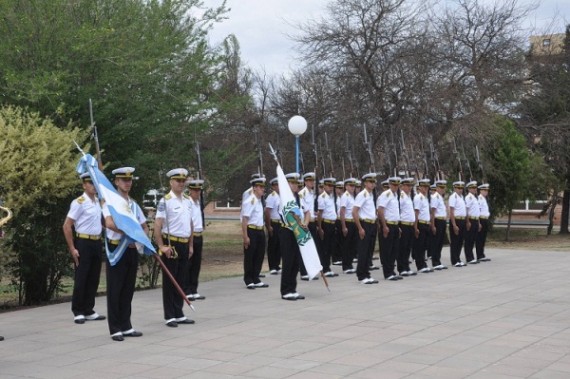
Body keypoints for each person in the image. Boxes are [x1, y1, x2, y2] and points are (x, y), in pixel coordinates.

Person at [103, 167, 146, 341]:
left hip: (131, 250)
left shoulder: (133, 205)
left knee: (128, 290)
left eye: (129, 180)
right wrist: (127, 230)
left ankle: (126, 325)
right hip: (117, 250)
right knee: (115, 290)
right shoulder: (110, 203)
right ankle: (115, 328)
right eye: (123, 180)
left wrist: (142, 236)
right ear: (116, 182)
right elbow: (109, 223)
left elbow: (143, 224)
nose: (127, 183)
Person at [154, 168, 195, 328]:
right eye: (178, 181)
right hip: (171, 243)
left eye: (183, 181)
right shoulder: (165, 201)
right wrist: (161, 246)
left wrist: (191, 244)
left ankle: (179, 312)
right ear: (171, 182)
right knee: (170, 280)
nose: (181, 183)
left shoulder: (187, 201)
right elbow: (158, 224)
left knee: (182, 279)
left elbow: (190, 224)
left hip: (184, 243)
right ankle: (169, 315)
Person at [62, 173, 106, 325]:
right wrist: (72, 248)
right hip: (83, 242)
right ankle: (78, 310)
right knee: (82, 277)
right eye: (90, 183)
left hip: (96, 242)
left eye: (95, 183)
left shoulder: (98, 202)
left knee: (94, 277)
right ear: (84, 185)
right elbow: (67, 225)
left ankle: (89, 309)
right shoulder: (79, 202)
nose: (93, 186)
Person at [280, 172, 307, 300]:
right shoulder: (284, 198)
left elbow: (306, 212)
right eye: (293, 183)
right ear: (287, 184)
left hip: (297, 231)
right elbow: (288, 215)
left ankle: (292, 288)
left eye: (297, 183)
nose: (296, 185)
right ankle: (285, 290)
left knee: (296, 261)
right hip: (287, 231)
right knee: (288, 260)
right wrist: (299, 223)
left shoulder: (298, 197)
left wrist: (304, 224)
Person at [242, 176, 268, 289]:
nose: (263, 189)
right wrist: (245, 236)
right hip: (251, 230)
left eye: (263, 187)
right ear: (255, 188)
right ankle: (248, 279)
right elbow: (244, 220)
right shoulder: (250, 201)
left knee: (259, 255)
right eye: (260, 187)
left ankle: (256, 277)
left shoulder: (259, 201)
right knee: (250, 256)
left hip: (260, 230)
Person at [352, 173, 379, 284]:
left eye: (374, 182)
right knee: (363, 251)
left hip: (372, 224)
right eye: (370, 182)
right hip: (365, 224)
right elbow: (354, 212)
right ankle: (361, 275)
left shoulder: (372, 195)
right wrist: (360, 228)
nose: (372, 184)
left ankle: (367, 273)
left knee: (369, 251)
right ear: (365, 183)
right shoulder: (362, 195)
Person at [378, 177, 402, 281]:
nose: (395, 187)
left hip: (395, 225)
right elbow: (380, 210)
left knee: (394, 250)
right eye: (394, 185)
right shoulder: (386, 194)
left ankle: (392, 270)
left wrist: (398, 226)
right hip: (388, 224)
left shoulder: (396, 195)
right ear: (390, 185)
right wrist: (384, 226)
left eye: (397, 185)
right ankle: (387, 273)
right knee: (387, 250)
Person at [186, 179, 206, 300]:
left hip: (199, 235)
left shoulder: (198, 203)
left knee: (196, 264)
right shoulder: (188, 203)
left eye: (199, 190)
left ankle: (194, 288)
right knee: (188, 264)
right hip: (190, 236)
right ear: (190, 190)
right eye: (195, 190)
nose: (197, 192)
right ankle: (187, 289)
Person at [317, 177, 339, 277]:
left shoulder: (331, 197)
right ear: (324, 186)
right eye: (329, 186)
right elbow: (320, 214)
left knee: (330, 247)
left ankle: (328, 267)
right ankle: (324, 268)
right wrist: (320, 228)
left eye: (332, 186)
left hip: (332, 223)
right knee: (324, 248)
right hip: (325, 224)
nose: (331, 188)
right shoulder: (322, 197)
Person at [298, 172, 318, 280]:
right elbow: (302, 209)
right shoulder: (302, 193)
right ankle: (303, 271)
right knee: (305, 248)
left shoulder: (312, 193)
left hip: (312, 222)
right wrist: (304, 223)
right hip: (305, 223)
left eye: (313, 180)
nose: (312, 182)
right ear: (305, 182)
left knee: (312, 248)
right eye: (309, 181)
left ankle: (311, 270)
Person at [397, 178, 417, 277]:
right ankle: (401, 268)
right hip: (403, 224)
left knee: (408, 247)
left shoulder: (408, 196)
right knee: (403, 247)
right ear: (403, 186)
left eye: (411, 186)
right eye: (408, 186)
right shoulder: (401, 197)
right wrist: (398, 226)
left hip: (410, 225)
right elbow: (398, 211)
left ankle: (406, 267)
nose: (410, 188)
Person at [413, 179, 433, 273]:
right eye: (424, 187)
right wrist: (415, 227)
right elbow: (416, 213)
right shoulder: (418, 198)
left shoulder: (425, 198)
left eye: (427, 187)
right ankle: (420, 265)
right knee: (419, 246)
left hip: (426, 223)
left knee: (425, 245)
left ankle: (423, 264)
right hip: (420, 224)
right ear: (419, 187)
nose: (426, 189)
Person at [339, 178, 357, 274]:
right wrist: (343, 226)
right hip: (347, 222)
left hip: (353, 222)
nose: (352, 188)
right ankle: (346, 266)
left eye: (353, 186)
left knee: (352, 245)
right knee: (346, 245)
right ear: (346, 186)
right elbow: (342, 211)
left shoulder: (352, 196)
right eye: (350, 186)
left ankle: (349, 264)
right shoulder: (345, 196)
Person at [264, 178, 282, 275]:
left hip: (280, 223)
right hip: (273, 222)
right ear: (273, 186)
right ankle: (272, 266)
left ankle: (277, 265)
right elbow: (267, 212)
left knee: (279, 245)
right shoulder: (272, 197)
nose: (278, 187)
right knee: (272, 245)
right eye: (276, 185)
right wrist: (268, 225)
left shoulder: (281, 196)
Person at [430, 180, 448, 270]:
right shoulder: (435, 197)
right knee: (436, 242)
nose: (442, 189)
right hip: (437, 221)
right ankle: (435, 262)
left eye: (443, 187)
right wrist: (433, 225)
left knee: (440, 242)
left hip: (442, 221)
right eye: (441, 187)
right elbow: (432, 212)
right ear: (437, 188)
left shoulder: (440, 197)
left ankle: (438, 260)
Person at [448, 180, 467, 267]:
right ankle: (454, 260)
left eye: (461, 188)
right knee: (455, 241)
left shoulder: (462, 197)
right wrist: (454, 225)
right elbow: (451, 212)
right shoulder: (453, 197)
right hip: (456, 220)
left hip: (462, 220)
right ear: (455, 188)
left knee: (460, 241)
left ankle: (458, 258)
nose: (460, 190)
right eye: (458, 188)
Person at [464, 180, 481, 265]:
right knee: (469, 239)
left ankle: (471, 256)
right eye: (473, 188)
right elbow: (466, 210)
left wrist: (478, 222)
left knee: (473, 239)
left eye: (475, 188)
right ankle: (469, 257)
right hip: (470, 220)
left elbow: (476, 211)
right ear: (469, 189)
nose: (475, 189)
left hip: (475, 220)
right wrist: (467, 222)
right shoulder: (468, 197)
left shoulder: (474, 197)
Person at [476, 183, 492, 262]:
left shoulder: (484, 199)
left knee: (483, 238)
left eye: (487, 190)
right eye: (485, 190)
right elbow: (478, 211)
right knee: (480, 238)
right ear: (481, 190)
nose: (486, 192)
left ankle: (482, 254)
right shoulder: (479, 198)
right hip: (481, 219)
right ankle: (479, 255)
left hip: (485, 219)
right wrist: (478, 223)